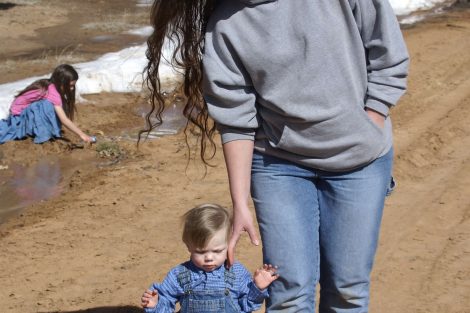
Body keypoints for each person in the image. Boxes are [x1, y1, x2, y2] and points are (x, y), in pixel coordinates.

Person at [144, 0, 409, 311]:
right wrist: (240, 202)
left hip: (358, 162)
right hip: (279, 165)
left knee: (347, 290)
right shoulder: (226, 24)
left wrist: (371, 116)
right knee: (287, 293)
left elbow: (387, 54)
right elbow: (236, 121)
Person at [141, 204, 279, 312]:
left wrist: (257, 288)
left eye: (217, 251)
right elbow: (166, 298)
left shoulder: (236, 272)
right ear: (188, 246)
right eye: (200, 252)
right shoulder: (180, 274)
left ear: (229, 244)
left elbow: (247, 305)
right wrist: (156, 304)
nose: (209, 258)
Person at [0, 64, 94, 144]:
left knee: (49, 105)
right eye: (70, 86)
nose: (72, 89)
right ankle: (43, 135)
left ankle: (38, 130)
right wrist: (82, 135)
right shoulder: (53, 92)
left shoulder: (49, 85)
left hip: (19, 113)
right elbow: (64, 119)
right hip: (18, 117)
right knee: (47, 105)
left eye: (73, 85)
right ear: (61, 83)